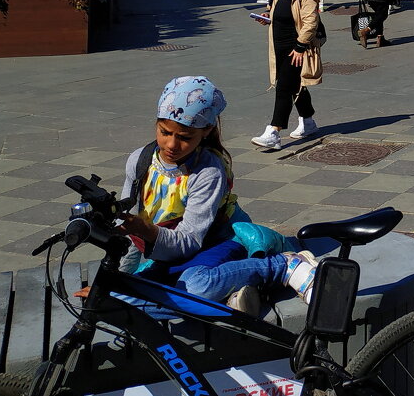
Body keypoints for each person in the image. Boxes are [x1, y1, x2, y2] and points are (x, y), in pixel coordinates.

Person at [74, 76, 319, 316]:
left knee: (194, 286)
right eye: (164, 132)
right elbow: (126, 229)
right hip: (168, 248)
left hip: (217, 240)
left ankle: (284, 266)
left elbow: (190, 240)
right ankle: (235, 291)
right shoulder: (140, 160)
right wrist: (114, 283)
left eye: (184, 137)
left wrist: (144, 232)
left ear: (206, 131)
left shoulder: (208, 171)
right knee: (144, 295)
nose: (171, 144)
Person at [252, 0, 323, 149]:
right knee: (295, 86)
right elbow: (281, 16)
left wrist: (300, 47)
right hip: (278, 47)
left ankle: (273, 132)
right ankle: (308, 122)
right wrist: (267, 18)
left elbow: (310, 23)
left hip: (296, 50)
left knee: (283, 87)